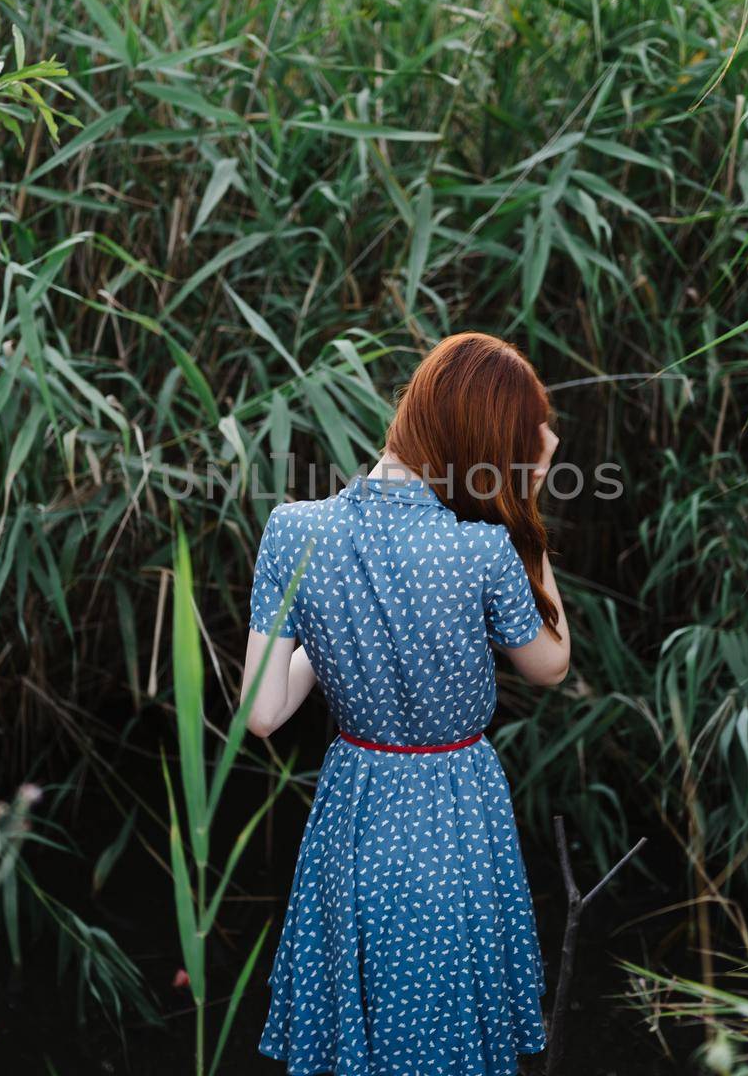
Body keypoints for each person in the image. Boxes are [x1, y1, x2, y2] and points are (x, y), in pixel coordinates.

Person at [241, 332, 572, 1076]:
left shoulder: (295, 529)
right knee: (445, 1021)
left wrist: (345, 627)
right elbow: (551, 664)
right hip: (455, 804)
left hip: (357, 803)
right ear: (484, 443)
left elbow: (262, 714)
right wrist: (526, 506)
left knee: (364, 1026)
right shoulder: (484, 547)